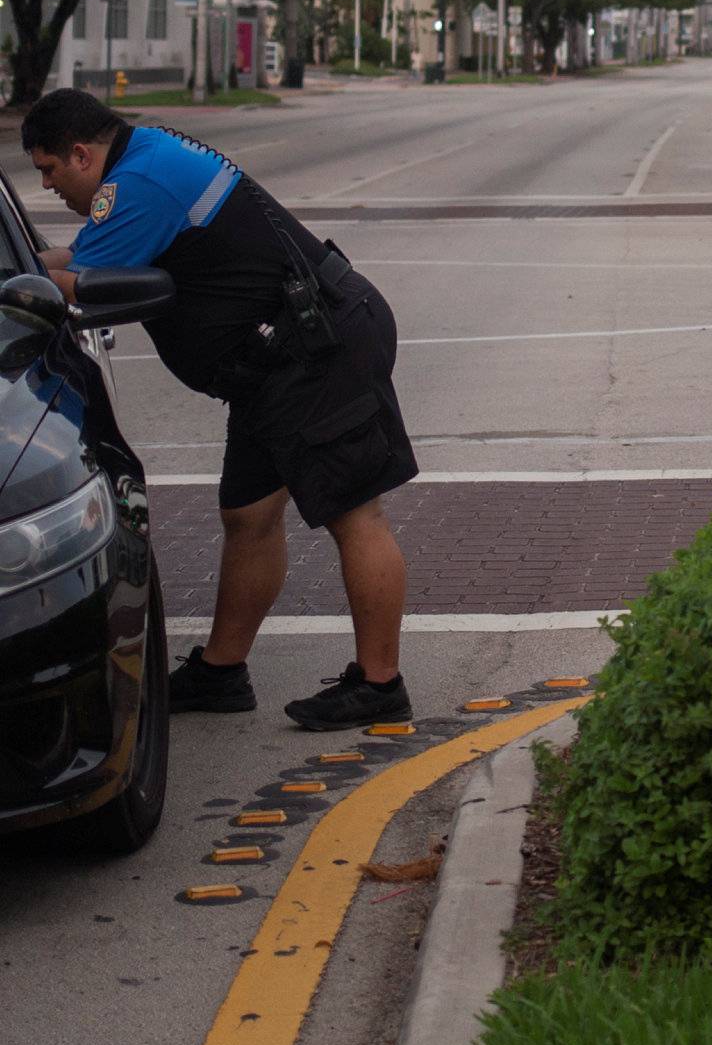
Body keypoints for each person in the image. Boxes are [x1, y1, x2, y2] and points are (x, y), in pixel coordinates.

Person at [21, 88, 418, 731]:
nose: (46, 185)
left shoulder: (140, 180)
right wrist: (32, 262)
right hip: (278, 359)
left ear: (81, 153)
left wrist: (23, 276)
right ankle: (222, 672)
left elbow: (82, 280)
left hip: (315, 351)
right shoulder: (143, 157)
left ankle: (381, 684)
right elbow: (83, 256)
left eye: (48, 170)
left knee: (355, 514)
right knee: (249, 515)